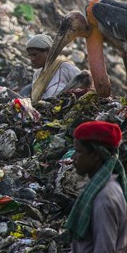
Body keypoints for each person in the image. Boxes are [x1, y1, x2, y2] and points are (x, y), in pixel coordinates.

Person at [67, 121, 127, 252]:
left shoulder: (104, 199)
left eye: (78, 151)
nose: (73, 157)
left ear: (95, 155)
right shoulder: (106, 186)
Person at [26, 34, 81, 101]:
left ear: (49, 52)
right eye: (30, 55)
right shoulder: (37, 75)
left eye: (35, 54)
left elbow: (84, 91)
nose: (32, 59)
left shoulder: (66, 68)